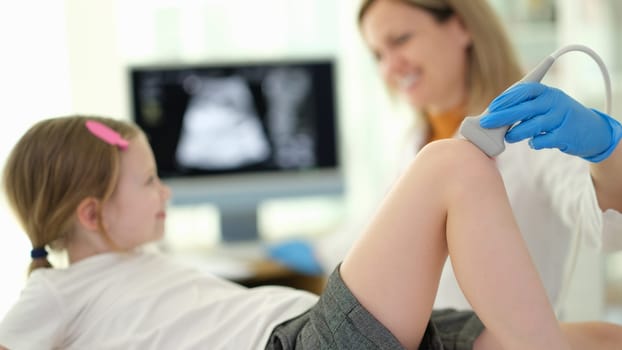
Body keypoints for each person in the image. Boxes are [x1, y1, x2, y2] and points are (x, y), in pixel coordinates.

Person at [1, 115, 621, 349]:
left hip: (321, 325)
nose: (165, 192)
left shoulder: (142, 264)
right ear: (90, 213)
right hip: (296, 343)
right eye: (147, 182)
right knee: (450, 163)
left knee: (599, 336)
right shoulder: (56, 293)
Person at [269, 0, 622, 317]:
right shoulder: (413, 141)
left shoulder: (531, 130)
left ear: (461, 27)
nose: (390, 67)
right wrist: (315, 251)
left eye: (401, 40)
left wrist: (605, 147)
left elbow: (608, 228)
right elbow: (378, 231)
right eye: (378, 54)